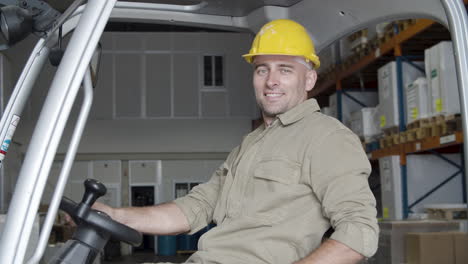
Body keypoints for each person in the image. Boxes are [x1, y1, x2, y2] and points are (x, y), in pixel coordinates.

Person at [94, 19, 379, 264]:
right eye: (262, 69)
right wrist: (115, 215)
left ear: (309, 79)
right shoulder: (250, 144)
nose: (271, 81)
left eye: (285, 69)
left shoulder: (327, 138)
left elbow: (359, 232)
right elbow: (196, 208)